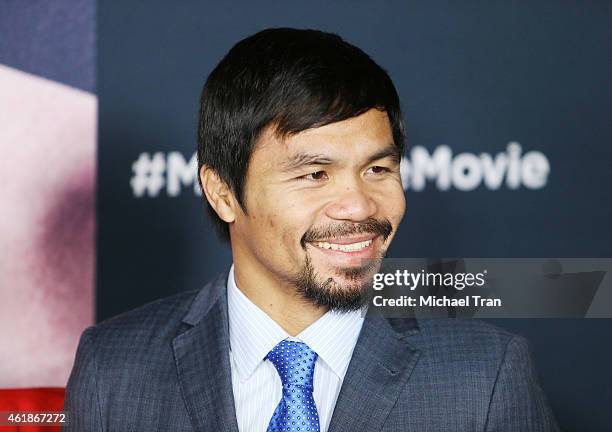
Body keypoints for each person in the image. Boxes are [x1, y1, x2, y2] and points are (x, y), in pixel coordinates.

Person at [64, 28, 559, 431]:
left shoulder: (485, 376)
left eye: (378, 170)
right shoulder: (114, 367)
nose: (359, 206)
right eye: (314, 174)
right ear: (223, 193)